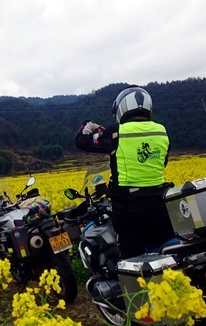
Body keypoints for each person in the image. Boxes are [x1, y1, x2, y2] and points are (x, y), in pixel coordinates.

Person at [75, 85, 175, 259]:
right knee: (167, 253)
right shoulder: (161, 130)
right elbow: (162, 162)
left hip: (129, 209)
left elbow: (82, 141)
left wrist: (88, 125)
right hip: (160, 205)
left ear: (122, 107)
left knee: (133, 260)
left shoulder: (116, 131)